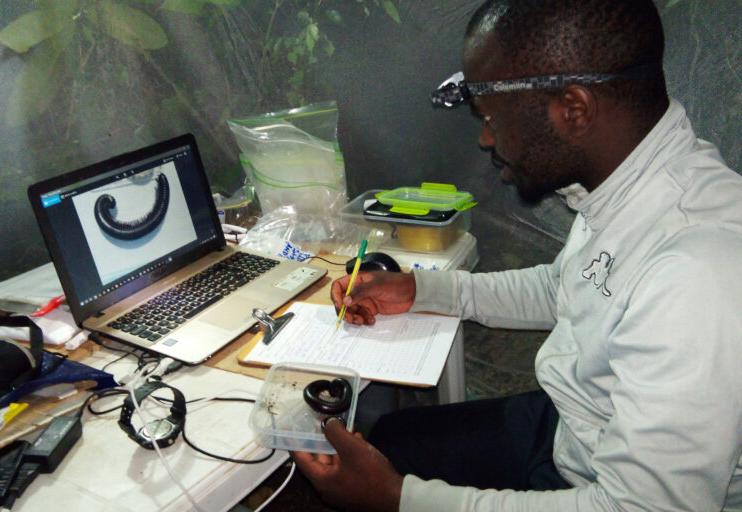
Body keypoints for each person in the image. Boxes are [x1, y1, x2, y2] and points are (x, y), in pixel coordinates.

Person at [291, 0, 742, 510]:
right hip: (576, 428)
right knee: (390, 438)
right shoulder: (634, 186)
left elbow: (643, 507)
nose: (485, 139)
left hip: (604, 489)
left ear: (574, 110)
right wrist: (425, 289)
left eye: (490, 118)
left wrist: (398, 499)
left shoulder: (698, 271)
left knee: (381, 475)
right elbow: (566, 287)